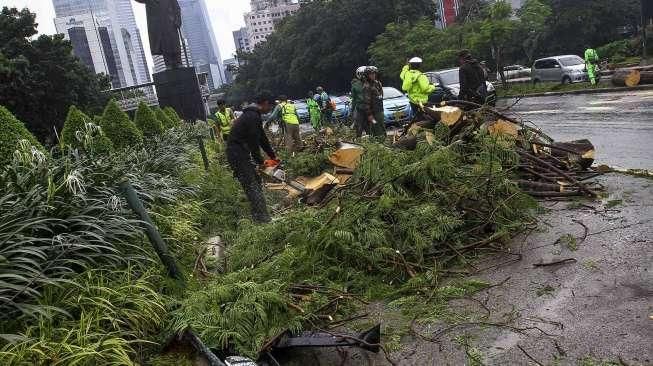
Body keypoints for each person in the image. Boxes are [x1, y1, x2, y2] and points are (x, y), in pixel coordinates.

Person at [226, 93, 278, 223]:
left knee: (255, 182)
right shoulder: (252, 116)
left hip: (241, 152)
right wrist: (260, 162)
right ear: (265, 103)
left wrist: (273, 156)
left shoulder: (254, 115)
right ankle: (263, 220)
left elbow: (262, 139)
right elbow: (253, 143)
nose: (270, 110)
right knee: (252, 185)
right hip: (237, 154)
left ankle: (260, 217)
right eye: (270, 107)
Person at [360, 66, 387, 139]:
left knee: (382, 127)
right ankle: (380, 144)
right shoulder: (366, 86)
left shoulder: (378, 83)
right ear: (367, 75)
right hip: (373, 113)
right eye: (371, 74)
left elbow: (381, 96)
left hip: (380, 111)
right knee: (376, 129)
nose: (373, 75)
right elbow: (366, 102)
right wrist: (369, 115)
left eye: (374, 73)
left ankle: (385, 142)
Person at [351, 66, 366, 136]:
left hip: (370, 108)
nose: (364, 76)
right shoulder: (355, 85)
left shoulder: (372, 83)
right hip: (360, 108)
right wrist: (352, 109)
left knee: (372, 124)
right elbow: (354, 99)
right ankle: (359, 139)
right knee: (358, 125)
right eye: (363, 74)